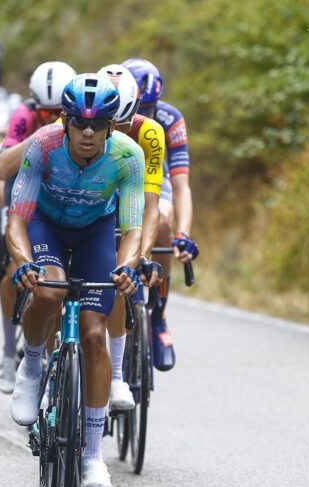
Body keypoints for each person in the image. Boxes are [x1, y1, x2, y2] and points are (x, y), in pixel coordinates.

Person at [6, 73, 145, 487]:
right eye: (80, 123)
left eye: (98, 124)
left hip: (94, 233)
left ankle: (91, 456)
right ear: (64, 121)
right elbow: (17, 219)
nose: (88, 132)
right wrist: (24, 262)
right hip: (46, 225)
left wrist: (128, 266)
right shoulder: (44, 145)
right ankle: (31, 367)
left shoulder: (127, 157)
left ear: (112, 127)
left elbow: (133, 226)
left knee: (94, 334)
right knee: (48, 292)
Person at [0, 60, 75, 393]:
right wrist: (44, 135)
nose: (51, 117)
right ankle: (10, 352)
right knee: (15, 270)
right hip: (25, 200)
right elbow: (1, 169)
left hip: (65, 203)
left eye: (58, 112)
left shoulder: (81, 117)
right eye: (45, 112)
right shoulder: (24, 115)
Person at [122, 58, 199, 372]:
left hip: (156, 176)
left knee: (163, 222)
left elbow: (181, 185)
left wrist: (184, 233)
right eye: (142, 108)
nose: (147, 116)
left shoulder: (169, 118)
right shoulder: (110, 110)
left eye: (152, 108)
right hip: (118, 173)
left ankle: (159, 315)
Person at [97, 63, 166, 410]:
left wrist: (142, 253)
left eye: (123, 124)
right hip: (90, 207)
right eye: (108, 122)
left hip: (128, 206)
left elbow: (150, 204)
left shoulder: (150, 134)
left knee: (120, 275)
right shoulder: (78, 127)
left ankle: (118, 373)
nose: (114, 131)